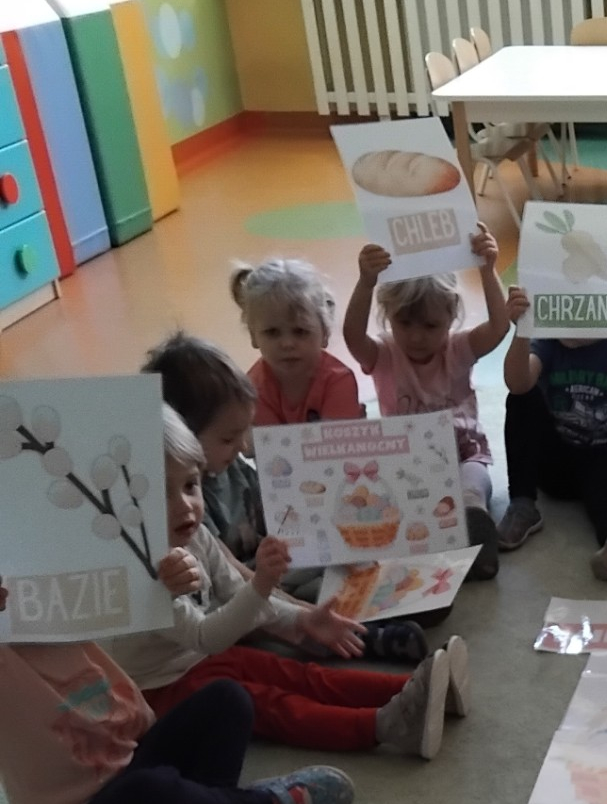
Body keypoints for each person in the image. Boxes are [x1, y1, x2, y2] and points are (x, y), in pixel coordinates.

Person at [104, 407, 466, 762]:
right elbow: (206, 636)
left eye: (190, 485)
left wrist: (299, 619)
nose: (185, 505)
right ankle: (381, 726)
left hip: (201, 661)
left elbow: (235, 591)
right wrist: (262, 585)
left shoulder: (196, 536)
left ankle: (417, 688)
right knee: (272, 705)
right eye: (160, 494)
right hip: (161, 691)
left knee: (301, 675)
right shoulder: (134, 568)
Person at [0, 579, 355, 804]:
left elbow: (112, 584)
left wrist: (161, 581)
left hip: (133, 754)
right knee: (152, 789)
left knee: (227, 697)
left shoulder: (48, 598)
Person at [142, 334, 428, 660]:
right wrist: (300, 610)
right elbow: (235, 579)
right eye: (228, 438)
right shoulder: (187, 504)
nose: (243, 447)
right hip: (239, 593)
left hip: (269, 571)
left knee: (332, 560)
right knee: (273, 610)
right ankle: (362, 635)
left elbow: (286, 519)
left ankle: (377, 605)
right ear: (183, 438)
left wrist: (338, 549)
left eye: (245, 431)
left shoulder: (235, 468)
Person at [343, 227, 510, 580]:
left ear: (451, 316)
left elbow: (498, 327)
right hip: (406, 465)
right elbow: (353, 337)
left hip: (464, 454)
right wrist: (366, 282)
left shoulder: (459, 348)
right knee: (389, 505)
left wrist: (487, 269)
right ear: (388, 315)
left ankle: (475, 531)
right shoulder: (385, 354)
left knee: (472, 487)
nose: (416, 336)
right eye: (404, 323)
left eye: (431, 326)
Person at [497, 282, 607, 579]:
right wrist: (522, 331)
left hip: (603, 457)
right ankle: (522, 504)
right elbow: (518, 383)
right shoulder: (548, 341)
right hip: (552, 463)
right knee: (521, 398)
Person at [232, 257, 363, 426]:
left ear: (325, 333)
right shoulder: (252, 389)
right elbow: (271, 442)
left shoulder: (338, 380)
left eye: (300, 332)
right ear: (253, 336)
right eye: (272, 332)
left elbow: (337, 440)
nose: (287, 344)